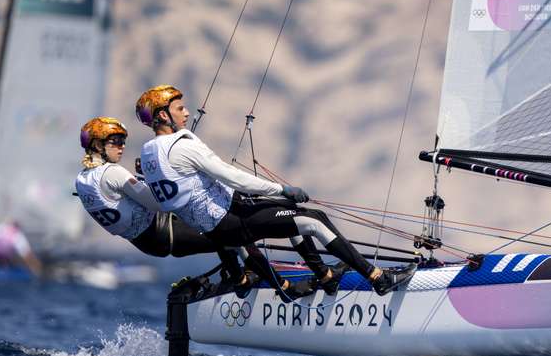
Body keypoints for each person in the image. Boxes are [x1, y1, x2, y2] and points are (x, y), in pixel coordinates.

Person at [134, 85, 415, 296]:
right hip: (233, 220)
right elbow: (232, 177)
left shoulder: (147, 154)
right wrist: (282, 189)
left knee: (291, 220)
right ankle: (378, 278)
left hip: (220, 226)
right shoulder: (182, 145)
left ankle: (326, 276)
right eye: (179, 108)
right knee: (313, 220)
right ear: (162, 115)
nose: (186, 112)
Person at [75, 116, 314, 299]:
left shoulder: (83, 179)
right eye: (115, 142)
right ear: (97, 145)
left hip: (151, 241)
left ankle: (241, 278)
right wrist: (158, 179)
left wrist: (148, 179)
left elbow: (125, 203)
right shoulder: (113, 172)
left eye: (123, 141)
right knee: (234, 232)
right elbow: (158, 203)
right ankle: (282, 288)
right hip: (166, 231)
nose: (122, 146)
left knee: (225, 232)